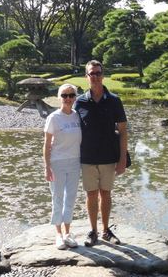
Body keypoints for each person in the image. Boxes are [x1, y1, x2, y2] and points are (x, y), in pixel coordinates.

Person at [74, 60, 128, 247]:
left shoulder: (114, 101)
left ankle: (105, 230)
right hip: (87, 156)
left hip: (108, 156)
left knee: (106, 193)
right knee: (90, 194)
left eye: (98, 73)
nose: (95, 76)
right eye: (91, 73)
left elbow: (123, 131)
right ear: (87, 76)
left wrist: (122, 159)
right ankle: (93, 230)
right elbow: (72, 130)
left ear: (103, 75)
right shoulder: (79, 101)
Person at [43, 83, 82, 250]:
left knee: (70, 199)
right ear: (59, 98)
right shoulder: (54, 117)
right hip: (57, 162)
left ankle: (67, 233)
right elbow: (46, 145)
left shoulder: (77, 116)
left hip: (75, 161)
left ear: (75, 97)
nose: (68, 99)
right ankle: (58, 234)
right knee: (57, 198)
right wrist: (47, 166)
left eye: (71, 95)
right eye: (64, 95)